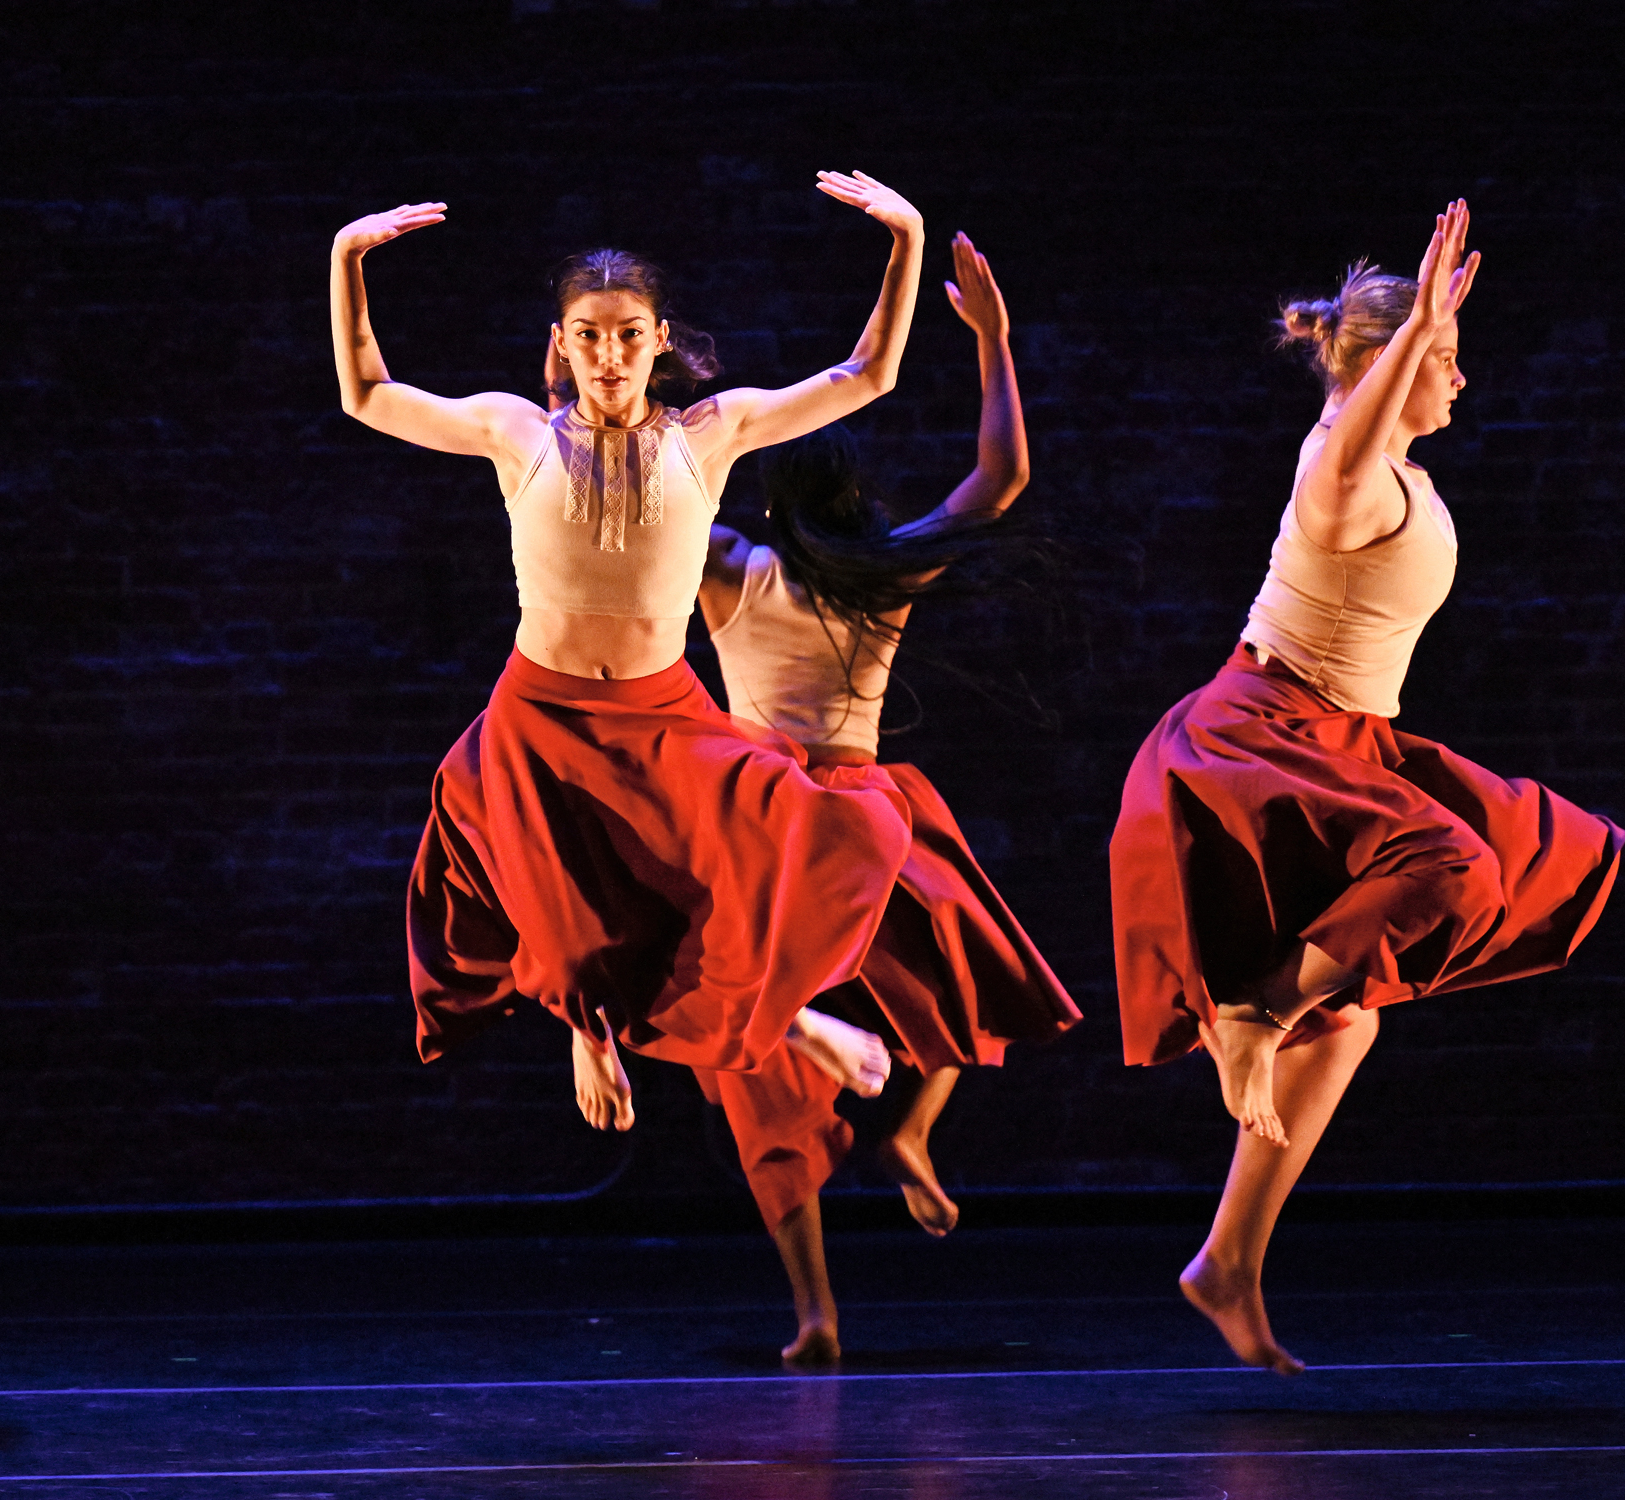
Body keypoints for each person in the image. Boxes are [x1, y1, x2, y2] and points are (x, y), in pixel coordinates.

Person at [1109, 201, 1622, 1374]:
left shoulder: (1394, 464)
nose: (1459, 375)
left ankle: (1226, 1262)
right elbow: (1350, 434)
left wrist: (1425, 331)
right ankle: (1247, 1014)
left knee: (1353, 1020)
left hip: (1347, 742)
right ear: (1387, 369)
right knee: (1450, 867)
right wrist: (1410, 336)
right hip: (1264, 733)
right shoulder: (1339, 462)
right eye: (1442, 357)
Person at [333, 174, 929, 1124]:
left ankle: (792, 1022)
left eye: (627, 334)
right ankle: (591, 1028)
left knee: (818, 850)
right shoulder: (515, 431)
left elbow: (868, 376)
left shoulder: (710, 434)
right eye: (589, 335)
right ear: (562, 344)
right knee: (573, 936)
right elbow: (366, 395)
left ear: (657, 340)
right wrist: (346, 261)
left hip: (663, 713)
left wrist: (907, 238)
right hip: (544, 713)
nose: (608, 354)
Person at [690, 235, 1081, 1365]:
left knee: (750, 1050)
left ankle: (816, 1308)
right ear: (858, 500)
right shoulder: (887, 569)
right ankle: (911, 1129)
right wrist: (995, 342)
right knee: (964, 970)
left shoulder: (733, 568)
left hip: (767, 821)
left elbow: (656, 526)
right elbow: (999, 481)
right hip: (864, 807)